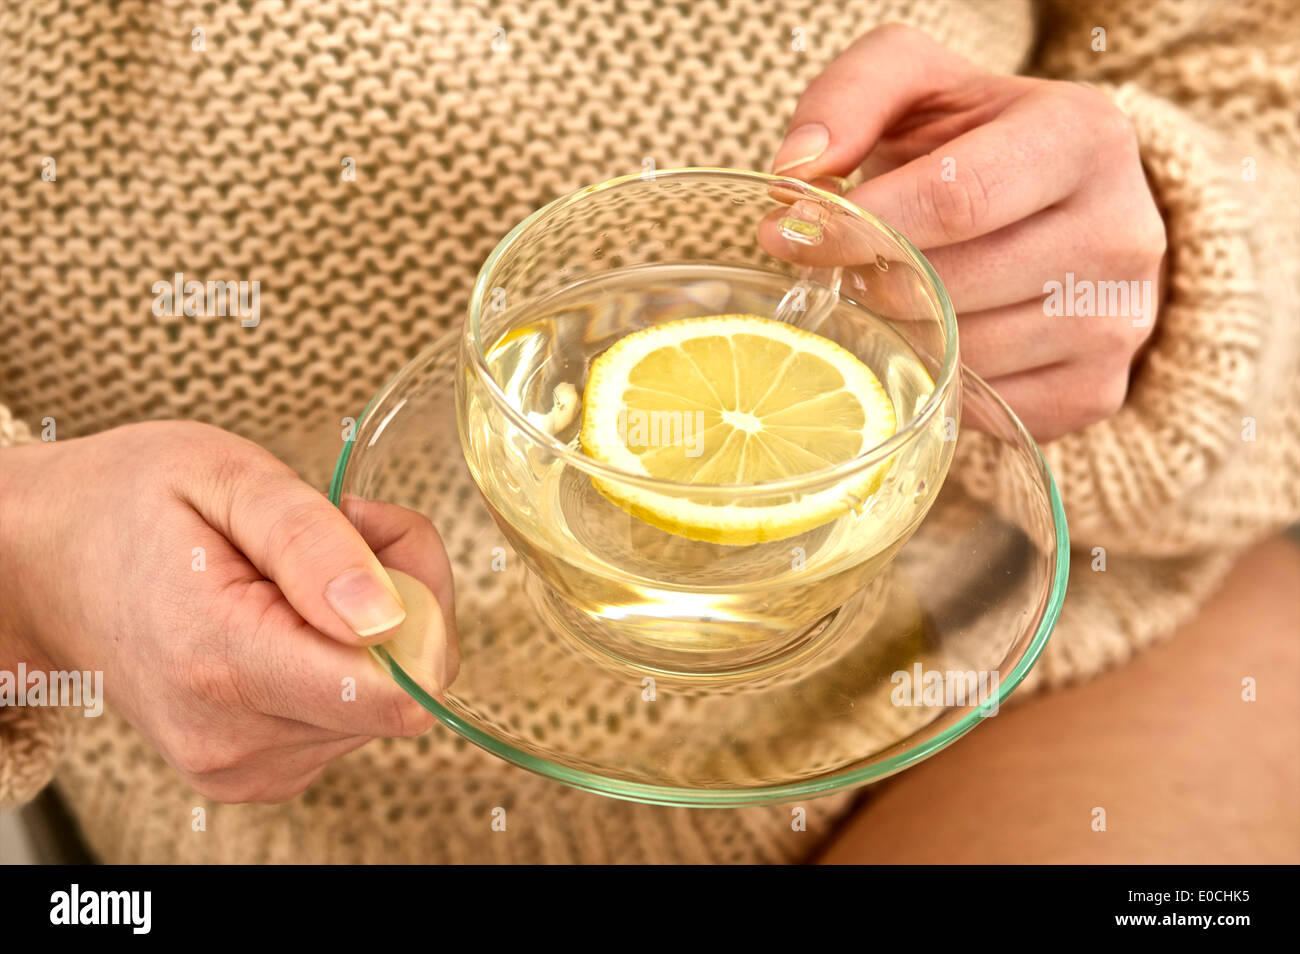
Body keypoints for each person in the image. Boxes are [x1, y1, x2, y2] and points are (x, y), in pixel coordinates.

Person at [1, 0, 1296, 863]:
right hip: (337, 801)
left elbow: (1253, 68)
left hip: (1050, 663)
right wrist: (30, 550)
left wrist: (1175, 262)